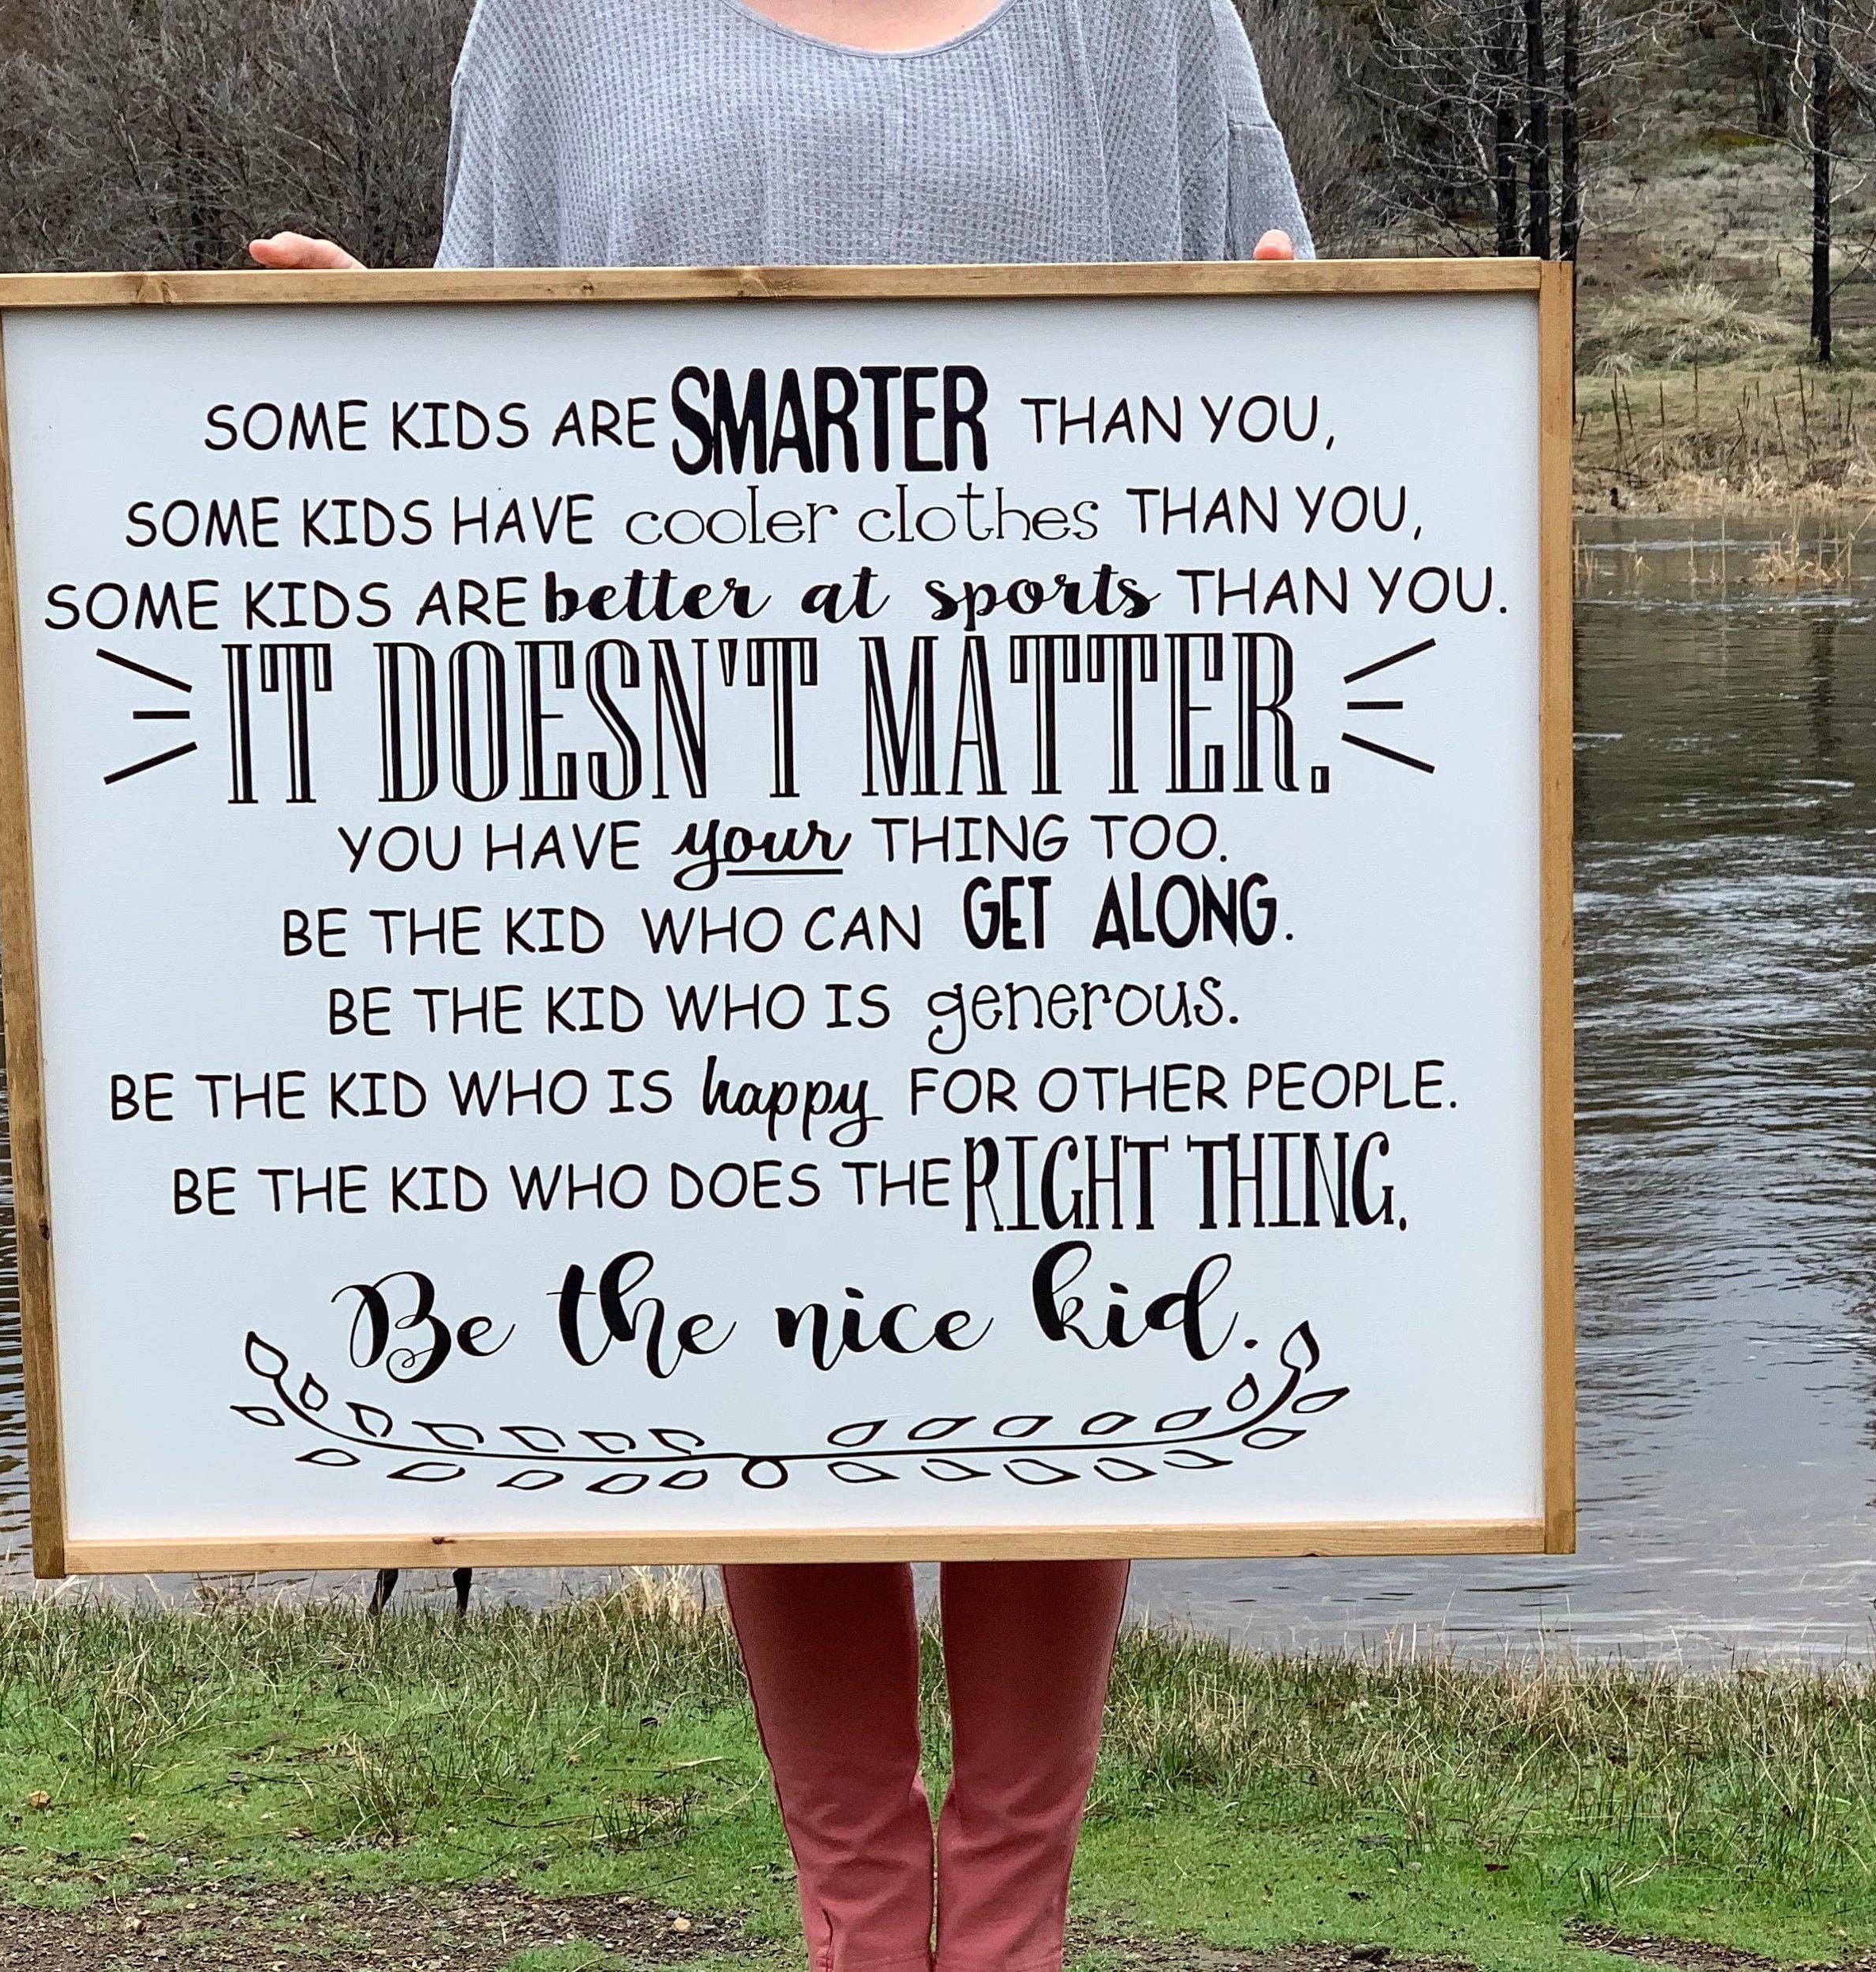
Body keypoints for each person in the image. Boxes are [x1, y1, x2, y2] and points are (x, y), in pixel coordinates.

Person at [251, 4, 1309, 1967]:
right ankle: (859, 1931)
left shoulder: (1148, 16)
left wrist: (1303, 353)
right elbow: (482, 426)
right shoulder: (555, 23)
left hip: (1063, 839)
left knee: (1065, 1332)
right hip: (700, 853)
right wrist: (338, 374)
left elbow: (1287, 391)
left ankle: (1009, 1933)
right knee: (767, 1332)